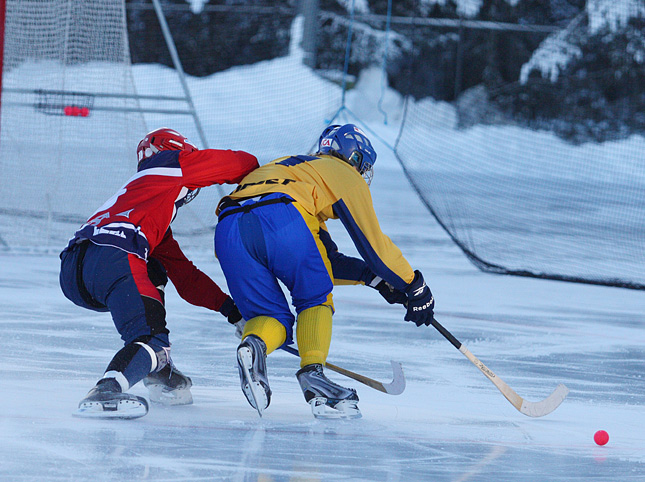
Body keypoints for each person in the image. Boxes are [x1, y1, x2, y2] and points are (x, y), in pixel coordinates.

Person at [214, 123, 434, 419]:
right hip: (283, 215)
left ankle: (254, 348)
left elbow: (325, 261)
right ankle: (314, 379)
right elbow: (375, 246)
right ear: (354, 159)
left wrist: (375, 280)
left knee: (269, 317)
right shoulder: (343, 173)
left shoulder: (294, 170)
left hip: (228, 228)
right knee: (314, 298)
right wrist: (414, 286)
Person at [59, 128, 258, 419]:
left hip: (75, 268)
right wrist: (269, 173)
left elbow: (185, 276)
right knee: (151, 338)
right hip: (115, 255)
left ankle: (158, 368)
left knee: (154, 269)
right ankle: (107, 388)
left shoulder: (143, 203)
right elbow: (239, 164)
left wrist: (233, 311)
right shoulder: (169, 163)